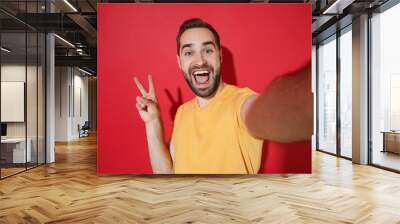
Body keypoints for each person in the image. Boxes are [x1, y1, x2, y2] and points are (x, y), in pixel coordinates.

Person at [134, 18, 312, 174]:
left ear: (219, 56)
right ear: (179, 62)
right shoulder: (182, 112)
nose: (200, 60)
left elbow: (271, 111)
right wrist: (152, 122)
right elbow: (167, 174)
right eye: (189, 52)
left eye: (208, 50)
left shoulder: (241, 103)